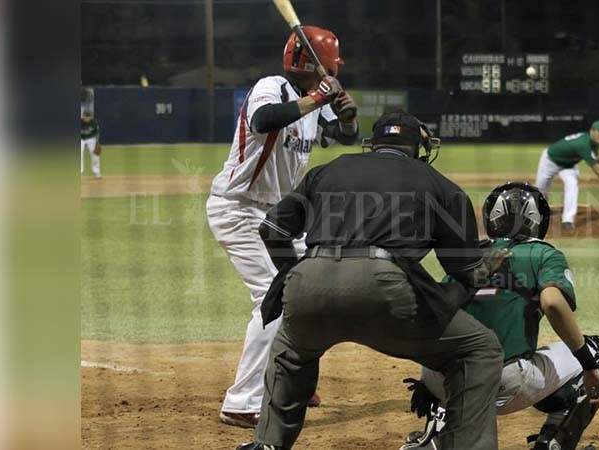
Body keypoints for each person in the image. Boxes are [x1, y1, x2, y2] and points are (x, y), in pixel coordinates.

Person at [236, 111, 509, 450]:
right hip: (385, 289)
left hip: (310, 278)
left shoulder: (327, 170)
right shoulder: (439, 184)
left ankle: (267, 445)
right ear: (419, 147)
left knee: (290, 353)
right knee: (478, 349)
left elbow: (272, 230)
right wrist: (484, 268)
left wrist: (294, 276)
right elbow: (463, 272)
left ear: (373, 144)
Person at [206, 25, 359, 429]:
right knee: (272, 302)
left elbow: (343, 137)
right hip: (238, 211)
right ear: (316, 64)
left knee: (315, 291)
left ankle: (294, 379)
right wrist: (317, 98)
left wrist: (345, 119)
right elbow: (262, 120)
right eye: (330, 65)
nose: (333, 71)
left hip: (280, 220)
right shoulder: (270, 87)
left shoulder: (314, 102)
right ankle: (241, 401)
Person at [400, 182, 599, 450]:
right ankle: (553, 444)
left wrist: (426, 381)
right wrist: (589, 367)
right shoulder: (544, 253)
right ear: (538, 221)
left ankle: (434, 437)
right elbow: (553, 303)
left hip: (440, 378)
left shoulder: (470, 254)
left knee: (456, 360)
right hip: (503, 382)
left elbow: (437, 313)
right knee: (598, 351)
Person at [534, 120, 599, 230]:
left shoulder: (593, 143)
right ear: (592, 131)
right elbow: (596, 168)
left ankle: (568, 220)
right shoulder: (583, 144)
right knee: (541, 190)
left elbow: (593, 158)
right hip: (550, 161)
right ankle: (535, 213)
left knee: (572, 184)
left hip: (568, 165)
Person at [81, 109, 102, 178]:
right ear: (83, 116)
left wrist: (97, 142)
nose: (87, 118)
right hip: (81, 138)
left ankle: (97, 172)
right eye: (85, 116)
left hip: (91, 138)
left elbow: (97, 132)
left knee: (95, 154)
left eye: (88, 116)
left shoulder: (94, 122)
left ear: (91, 116)